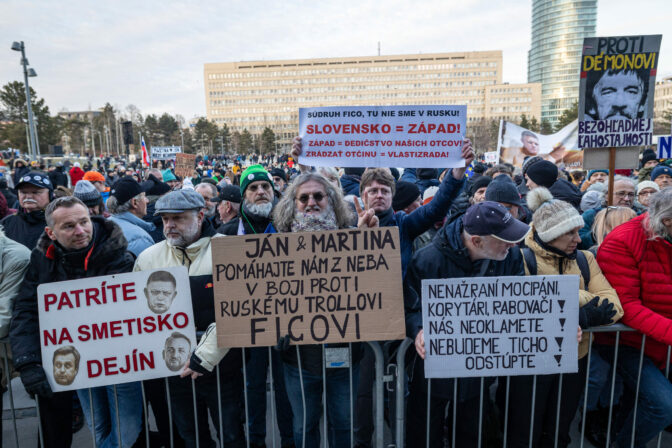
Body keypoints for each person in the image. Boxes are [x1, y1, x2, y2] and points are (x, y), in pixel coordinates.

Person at [9, 196, 140, 448]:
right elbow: (26, 309)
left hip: (120, 364)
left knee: (126, 431)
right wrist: (28, 363)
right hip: (76, 365)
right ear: (51, 232)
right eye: (69, 226)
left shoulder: (118, 255)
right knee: (99, 427)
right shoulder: (42, 259)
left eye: (84, 222)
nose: (80, 231)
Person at [499, 187, 622, 448]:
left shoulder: (586, 259)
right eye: (570, 232)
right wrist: (580, 304)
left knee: (558, 433)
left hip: (573, 361)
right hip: (529, 365)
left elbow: (613, 306)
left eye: (578, 231)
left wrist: (567, 305)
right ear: (549, 233)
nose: (578, 238)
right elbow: (522, 307)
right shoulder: (520, 258)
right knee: (523, 431)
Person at [404, 201, 530, 447]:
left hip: (480, 368)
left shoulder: (510, 256)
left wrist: (562, 327)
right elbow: (409, 306)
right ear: (476, 241)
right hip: (432, 368)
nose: (513, 244)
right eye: (504, 239)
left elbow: (522, 304)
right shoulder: (428, 260)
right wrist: (419, 329)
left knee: (471, 433)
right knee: (424, 432)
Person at [134, 189, 244, 447]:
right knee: (191, 436)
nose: (170, 225)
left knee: (232, 435)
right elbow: (139, 315)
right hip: (174, 371)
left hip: (222, 368)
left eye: (178, 218)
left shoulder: (227, 250)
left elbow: (236, 310)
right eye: (164, 219)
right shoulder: (148, 258)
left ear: (200, 216)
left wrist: (204, 357)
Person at [595, 188, 672, 447]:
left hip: (661, 341)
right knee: (663, 404)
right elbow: (625, 306)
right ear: (666, 221)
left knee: (638, 402)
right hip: (628, 342)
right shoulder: (623, 240)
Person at [0, 171, 53, 250]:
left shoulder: (58, 222)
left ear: (50, 195)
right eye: (23, 192)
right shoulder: (7, 222)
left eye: (35, 192)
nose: (28, 196)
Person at [108, 176, 155, 257]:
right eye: (144, 196)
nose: (147, 201)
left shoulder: (106, 224)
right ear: (135, 203)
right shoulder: (140, 240)